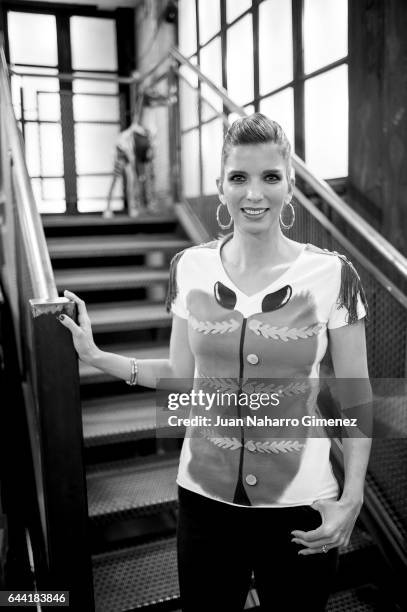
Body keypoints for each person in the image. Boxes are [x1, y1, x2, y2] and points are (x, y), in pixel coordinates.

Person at [59, 113, 372, 611]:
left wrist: (351, 499)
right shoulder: (191, 267)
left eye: (271, 177)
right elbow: (182, 374)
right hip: (204, 504)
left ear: (290, 185)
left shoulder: (332, 274)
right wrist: (98, 357)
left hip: (301, 506)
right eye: (239, 178)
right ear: (220, 186)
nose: (255, 193)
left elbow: (356, 395)